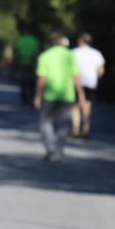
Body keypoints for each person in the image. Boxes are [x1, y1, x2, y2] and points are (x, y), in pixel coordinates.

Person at [33, 31, 81, 161]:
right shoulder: (70, 55)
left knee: (45, 122)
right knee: (64, 124)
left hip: (49, 94)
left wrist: (37, 95)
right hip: (67, 94)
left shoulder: (45, 56)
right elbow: (76, 77)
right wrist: (81, 95)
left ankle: (51, 148)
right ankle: (58, 150)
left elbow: (42, 78)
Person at [71, 33, 105, 139]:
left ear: (80, 41)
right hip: (91, 82)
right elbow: (101, 70)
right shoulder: (96, 53)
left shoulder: (74, 52)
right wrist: (96, 79)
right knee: (87, 106)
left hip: (76, 81)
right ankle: (86, 130)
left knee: (75, 107)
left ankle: (75, 129)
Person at [14, 27, 41, 105]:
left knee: (23, 81)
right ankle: (31, 97)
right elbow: (37, 52)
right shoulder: (34, 40)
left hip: (22, 62)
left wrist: (15, 63)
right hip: (32, 63)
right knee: (32, 81)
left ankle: (23, 98)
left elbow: (17, 52)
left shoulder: (20, 40)